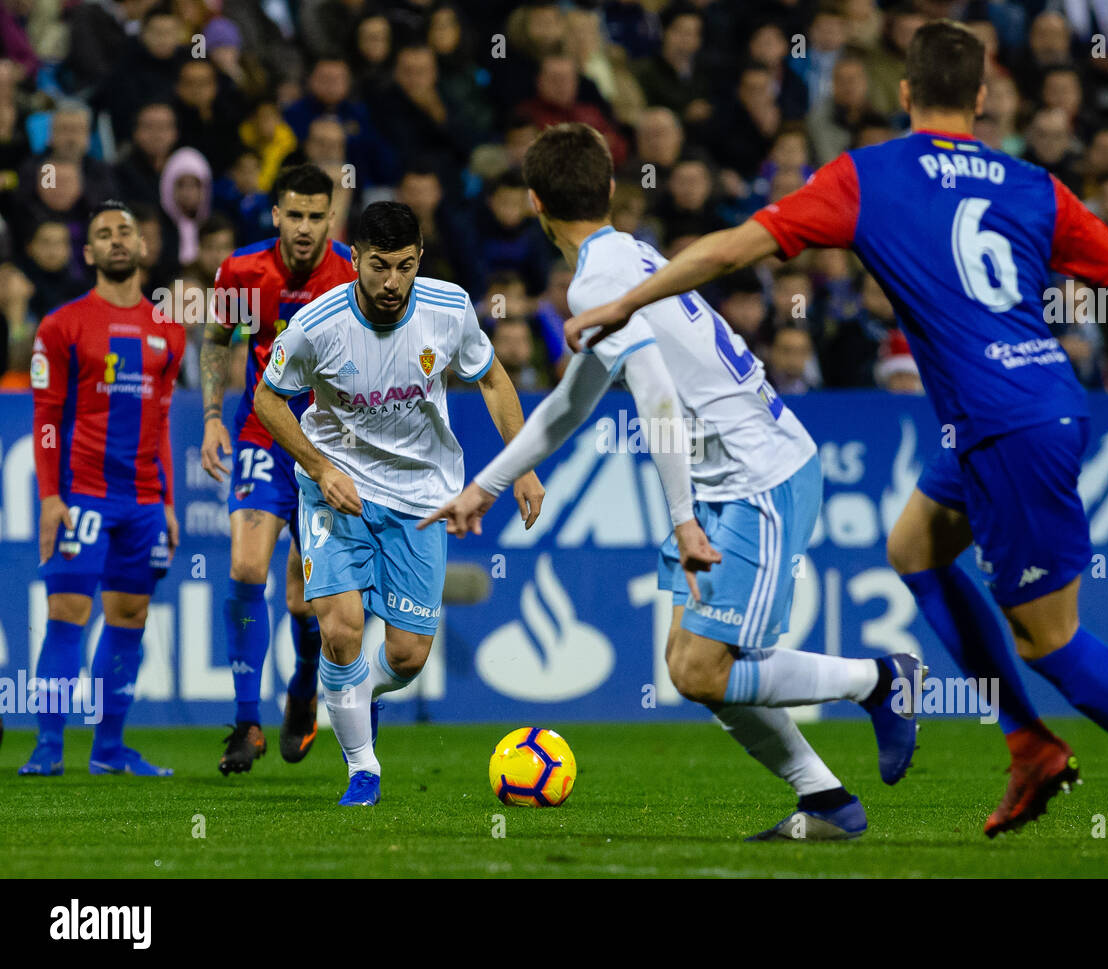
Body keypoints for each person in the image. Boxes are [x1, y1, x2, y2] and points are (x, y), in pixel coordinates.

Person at [564, 22, 1108, 850]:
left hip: (1010, 425)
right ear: (982, 97)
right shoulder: (1033, 183)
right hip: (1026, 405)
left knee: (1052, 640)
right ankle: (1027, 743)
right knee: (914, 548)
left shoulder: (871, 174)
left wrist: (625, 301)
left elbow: (734, 248)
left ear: (903, 94)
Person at [429, 123, 923, 841]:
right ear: (607, 190)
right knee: (694, 665)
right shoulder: (627, 253)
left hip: (757, 474)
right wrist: (488, 485)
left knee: (702, 669)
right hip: (726, 477)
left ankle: (881, 680)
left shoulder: (599, 275)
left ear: (535, 203)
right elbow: (573, 399)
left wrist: (682, 515)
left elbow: (656, 392)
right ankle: (826, 800)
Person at [252, 201, 545, 806]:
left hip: (422, 498)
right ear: (353, 258)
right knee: (340, 632)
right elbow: (268, 400)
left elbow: (492, 379)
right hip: (339, 491)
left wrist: (522, 464)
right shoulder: (316, 325)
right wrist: (319, 466)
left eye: (406, 266)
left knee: (408, 657)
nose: (392, 283)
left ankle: (352, 697)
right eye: (379, 266)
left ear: (419, 261)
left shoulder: (449, 308)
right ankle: (363, 768)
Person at [199, 164, 356, 775]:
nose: (305, 228)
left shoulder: (349, 271)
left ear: (331, 218)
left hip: (330, 449)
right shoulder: (242, 271)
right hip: (263, 433)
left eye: (317, 217)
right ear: (275, 215)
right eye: (295, 215)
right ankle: (245, 722)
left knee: (302, 597)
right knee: (244, 566)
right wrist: (212, 414)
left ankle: (304, 688)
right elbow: (218, 338)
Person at [21, 200, 185, 777]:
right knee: (67, 611)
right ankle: (48, 746)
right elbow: (45, 418)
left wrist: (167, 503)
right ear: (88, 253)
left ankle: (109, 749)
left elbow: (162, 422)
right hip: (81, 493)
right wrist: (49, 497)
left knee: (130, 616)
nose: (117, 240)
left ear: (142, 247)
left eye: (126, 231)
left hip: (142, 501)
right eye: (104, 235)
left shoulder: (169, 331)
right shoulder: (61, 325)